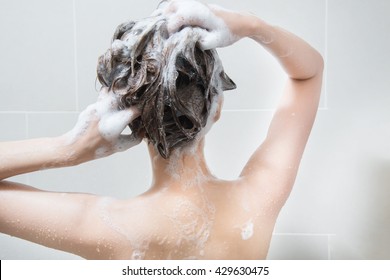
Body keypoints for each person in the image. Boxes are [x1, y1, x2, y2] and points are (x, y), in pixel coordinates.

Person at [0, 0, 323, 260]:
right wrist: (253, 25)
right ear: (217, 109)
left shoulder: (103, 227)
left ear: (131, 120)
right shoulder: (259, 197)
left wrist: (67, 149)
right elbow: (309, 73)